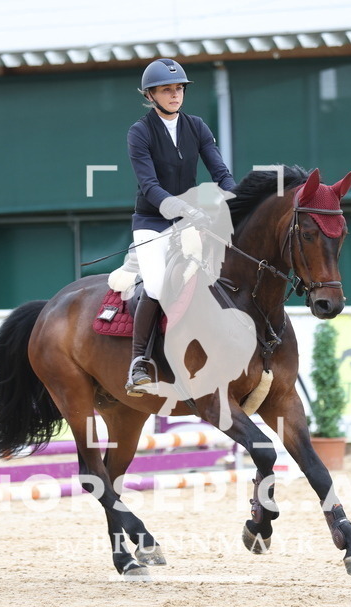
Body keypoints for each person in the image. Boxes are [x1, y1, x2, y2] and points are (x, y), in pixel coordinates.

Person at [125, 58, 235, 396]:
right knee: (158, 286)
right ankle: (139, 362)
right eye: (167, 89)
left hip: (191, 221)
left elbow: (219, 170)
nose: (175, 95)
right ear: (151, 94)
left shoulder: (197, 126)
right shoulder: (140, 132)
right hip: (152, 222)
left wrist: (235, 198)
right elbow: (150, 186)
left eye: (179, 89)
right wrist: (186, 207)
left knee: (220, 273)